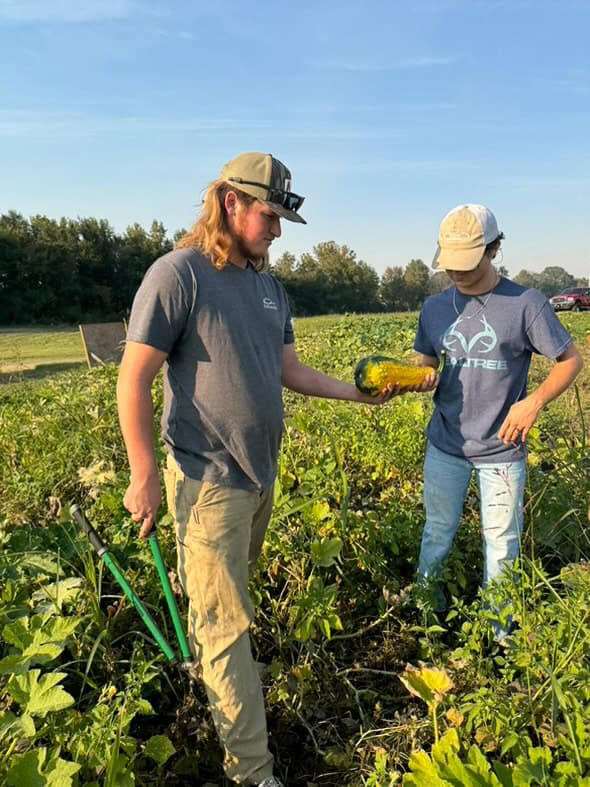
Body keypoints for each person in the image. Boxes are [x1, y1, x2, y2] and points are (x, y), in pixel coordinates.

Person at [116, 151, 435, 786]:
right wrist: (143, 473)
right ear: (230, 202)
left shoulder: (268, 287)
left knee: (226, 611)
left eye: (283, 218)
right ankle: (252, 771)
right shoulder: (178, 274)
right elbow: (134, 378)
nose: (278, 230)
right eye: (270, 215)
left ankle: (223, 690)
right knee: (226, 626)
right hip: (207, 481)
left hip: (260, 477)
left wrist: (360, 394)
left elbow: (288, 371)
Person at [413, 204, 583, 641]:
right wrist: (419, 374)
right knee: (437, 532)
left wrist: (534, 402)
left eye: (468, 264)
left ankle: (499, 635)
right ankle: (426, 616)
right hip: (446, 442)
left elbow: (570, 360)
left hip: (503, 450)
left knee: (502, 544)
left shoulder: (526, 303)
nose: (459, 275)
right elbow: (425, 358)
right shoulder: (434, 307)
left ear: (495, 249)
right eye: (451, 265)